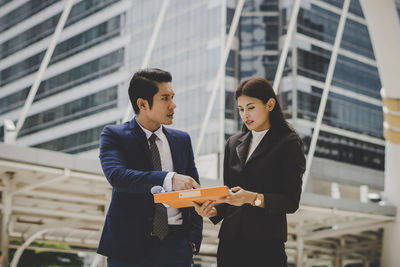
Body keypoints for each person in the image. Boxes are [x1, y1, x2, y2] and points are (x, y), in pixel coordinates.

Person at [193, 77, 306, 267]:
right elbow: (229, 193)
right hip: (230, 244)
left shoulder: (288, 143)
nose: (245, 114)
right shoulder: (233, 143)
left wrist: (253, 198)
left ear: (270, 104)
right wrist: (213, 210)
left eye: (251, 107)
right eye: (241, 109)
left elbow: (290, 201)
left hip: (266, 245)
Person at [97, 68, 203, 266]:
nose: (173, 105)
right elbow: (118, 177)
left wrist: (192, 240)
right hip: (129, 249)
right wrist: (168, 179)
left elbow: (194, 190)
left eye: (172, 97)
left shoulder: (182, 140)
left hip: (177, 247)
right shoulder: (114, 135)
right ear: (142, 104)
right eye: (165, 98)